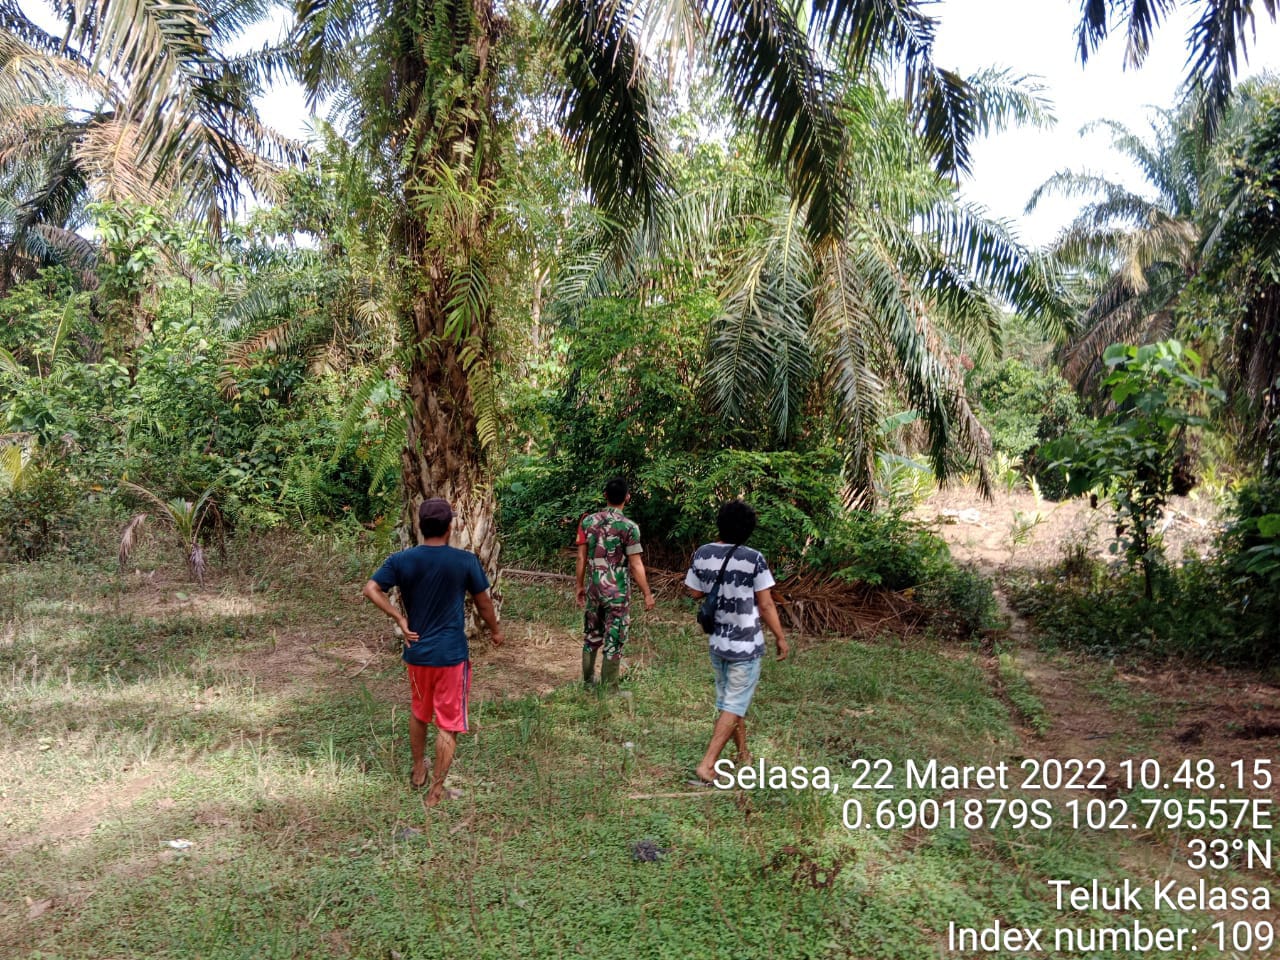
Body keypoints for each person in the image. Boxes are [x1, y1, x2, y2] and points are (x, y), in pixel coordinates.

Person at [363, 497, 503, 807]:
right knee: (448, 723)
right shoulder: (465, 561)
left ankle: (417, 769)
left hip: (417, 653)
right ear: (451, 526)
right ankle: (436, 790)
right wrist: (494, 631)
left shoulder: (402, 560)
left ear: (419, 526)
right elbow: (483, 603)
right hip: (451, 656)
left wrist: (399, 617)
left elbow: (371, 588)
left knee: (419, 711)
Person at [684, 499, 788, 784]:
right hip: (746, 645)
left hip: (718, 643)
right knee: (733, 703)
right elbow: (766, 605)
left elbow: (694, 592)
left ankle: (743, 753)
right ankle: (707, 765)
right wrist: (780, 637)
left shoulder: (703, 553)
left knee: (730, 700)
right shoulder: (754, 559)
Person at [575, 477, 655, 686]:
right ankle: (609, 688)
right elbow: (636, 564)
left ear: (605, 496)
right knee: (615, 636)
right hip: (617, 591)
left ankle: (588, 682)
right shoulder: (629, 527)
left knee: (592, 634)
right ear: (627, 498)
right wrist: (647, 593)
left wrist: (579, 585)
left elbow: (581, 558)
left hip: (593, 586)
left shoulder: (587, 521)